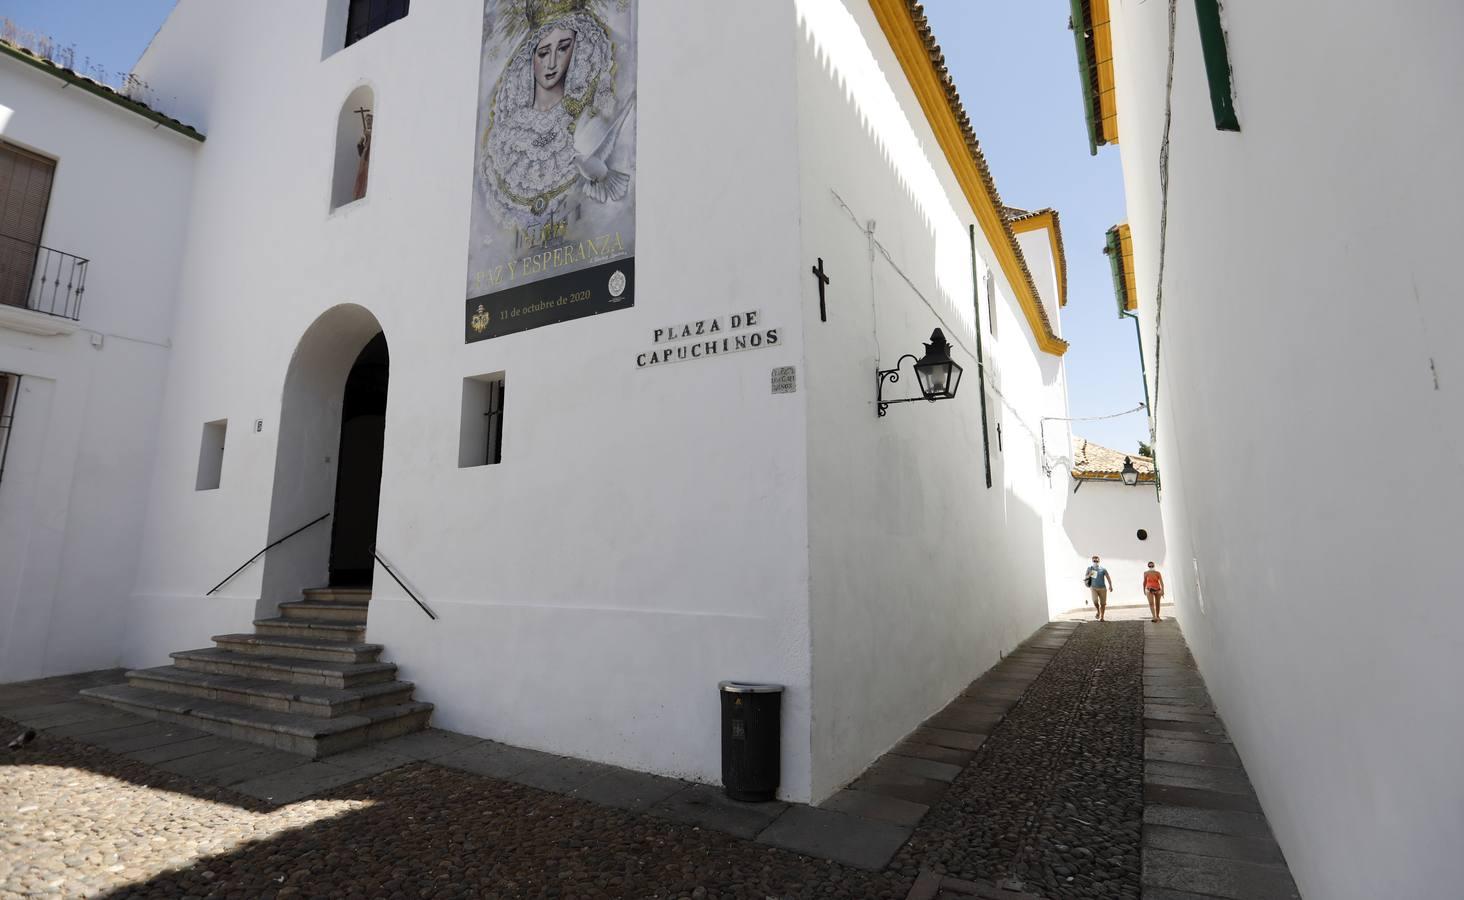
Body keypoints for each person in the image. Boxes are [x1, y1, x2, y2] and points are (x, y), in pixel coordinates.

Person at [479, 0, 632, 238]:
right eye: (543, 52)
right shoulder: (506, 133)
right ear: (530, 55)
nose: (551, 64)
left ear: (577, 49)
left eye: (563, 48)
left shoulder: (591, 107)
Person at [1084, 555, 1114, 621]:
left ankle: (1102, 617)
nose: (1095, 562)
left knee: (1103, 604)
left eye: (1097, 560)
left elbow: (1108, 577)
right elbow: (1085, 578)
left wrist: (1110, 586)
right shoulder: (1090, 568)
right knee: (1095, 601)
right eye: (1094, 561)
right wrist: (1089, 575)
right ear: (1092, 561)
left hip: (1102, 588)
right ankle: (1098, 611)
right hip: (1093, 588)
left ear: (1099, 561)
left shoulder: (1103, 569)